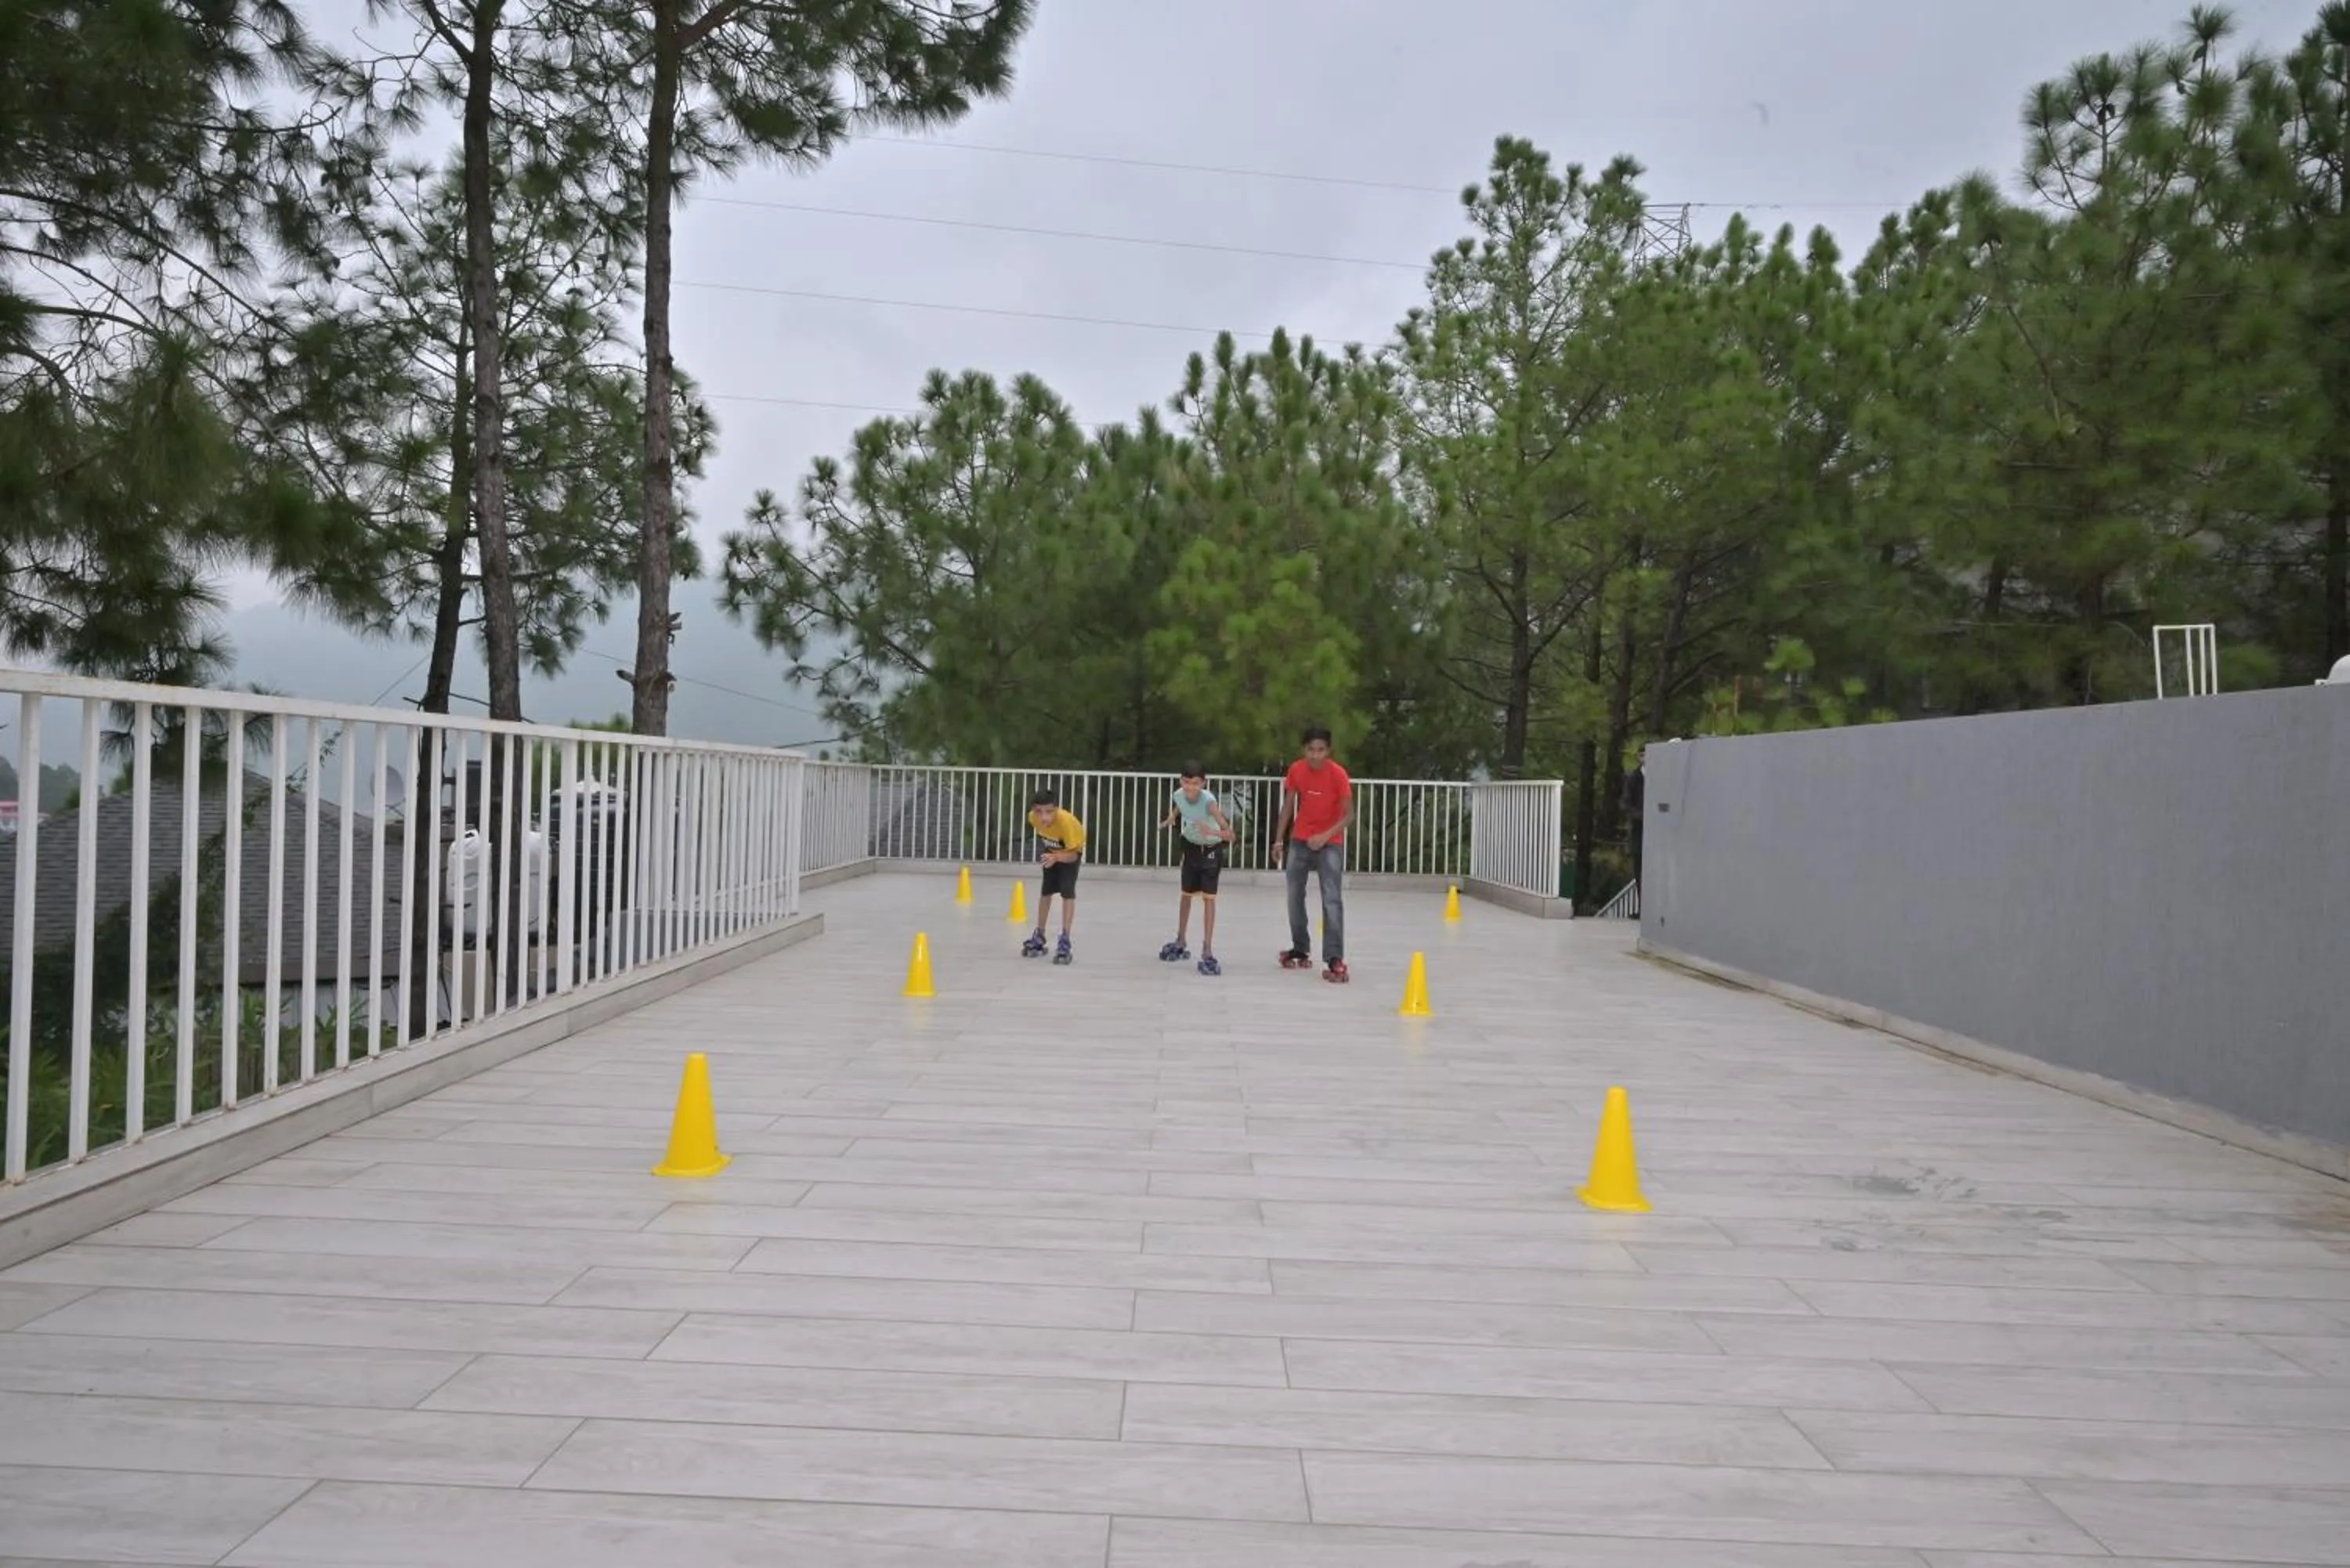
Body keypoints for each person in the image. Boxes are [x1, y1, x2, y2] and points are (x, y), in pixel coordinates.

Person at [1271, 724, 1352, 982]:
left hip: (1331, 841)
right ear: (1304, 750)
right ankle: (1300, 946)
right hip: (1300, 839)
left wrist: (1325, 836)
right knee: (1294, 893)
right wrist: (1278, 841)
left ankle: (1334, 957)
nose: (1315, 756)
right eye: (1311, 750)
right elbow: (1288, 807)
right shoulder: (1296, 770)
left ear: (1328, 751)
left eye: (1321, 750)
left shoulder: (1338, 775)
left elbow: (1350, 815)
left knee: (1331, 898)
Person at [1158, 762, 1235, 976]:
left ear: (1203, 783)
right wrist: (1171, 819)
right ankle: (1181, 939)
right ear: (1181, 781)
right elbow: (1179, 805)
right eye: (1186, 782)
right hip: (1190, 847)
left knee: (1209, 899)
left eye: (1196, 783)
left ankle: (1207, 948)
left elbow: (1231, 834)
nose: (1190, 788)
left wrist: (1211, 830)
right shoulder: (1179, 794)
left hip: (1210, 850)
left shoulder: (1209, 802)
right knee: (1186, 895)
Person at [1021, 787, 1086, 965]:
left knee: (1067, 893)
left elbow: (1073, 855)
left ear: (1056, 809)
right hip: (1051, 852)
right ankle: (1040, 934)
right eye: (1039, 812)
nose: (1044, 817)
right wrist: (1052, 856)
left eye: (1049, 812)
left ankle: (1065, 937)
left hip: (1069, 854)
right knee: (1046, 891)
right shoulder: (1032, 818)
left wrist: (1057, 857)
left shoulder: (1066, 822)